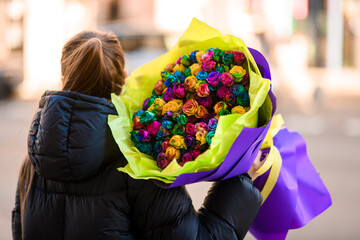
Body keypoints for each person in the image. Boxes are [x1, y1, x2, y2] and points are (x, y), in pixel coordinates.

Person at [12, 30, 263, 240]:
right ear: (124, 78)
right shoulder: (137, 165)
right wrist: (240, 182)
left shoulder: (31, 166)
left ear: (64, 79)